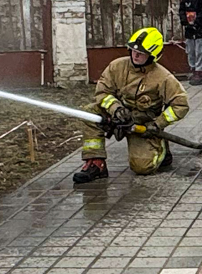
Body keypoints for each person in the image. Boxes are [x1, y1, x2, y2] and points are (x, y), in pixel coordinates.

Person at [73, 28, 189, 183]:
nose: (136, 55)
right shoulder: (116, 67)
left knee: (142, 168)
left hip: (143, 126)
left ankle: (162, 151)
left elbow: (181, 105)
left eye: (141, 52)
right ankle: (95, 163)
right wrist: (115, 108)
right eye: (133, 50)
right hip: (117, 117)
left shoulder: (163, 77)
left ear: (153, 54)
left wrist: (157, 124)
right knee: (90, 112)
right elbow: (102, 93)